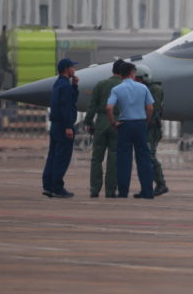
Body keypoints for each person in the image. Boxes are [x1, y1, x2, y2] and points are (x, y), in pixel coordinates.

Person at [107, 61, 154, 199]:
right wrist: (146, 121)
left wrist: (113, 123)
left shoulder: (117, 89)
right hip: (140, 124)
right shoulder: (143, 88)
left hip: (124, 125)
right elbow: (150, 108)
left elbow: (109, 108)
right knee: (144, 158)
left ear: (121, 75)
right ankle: (147, 191)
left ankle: (123, 192)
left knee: (123, 160)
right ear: (133, 73)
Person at [84, 59, 124, 198]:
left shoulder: (101, 84)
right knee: (114, 158)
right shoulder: (124, 86)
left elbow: (92, 107)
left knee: (96, 158)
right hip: (117, 123)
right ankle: (110, 191)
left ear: (113, 70)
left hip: (101, 122)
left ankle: (94, 190)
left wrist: (89, 122)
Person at [42, 57, 80, 198]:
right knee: (62, 157)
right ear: (66, 69)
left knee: (53, 156)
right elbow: (66, 108)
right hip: (63, 126)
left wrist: (75, 86)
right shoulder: (64, 86)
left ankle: (48, 186)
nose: (74, 70)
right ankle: (57, 187)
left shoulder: (59, 84)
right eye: (72, 67)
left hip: (56, 126)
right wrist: (68, 126)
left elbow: (70, 100)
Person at [137, 64, 168, 197]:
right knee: (146, 156)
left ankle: (161, 184)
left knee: (149, 155)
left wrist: (144, 124)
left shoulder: (154, 89)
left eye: (137, 79)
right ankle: (149, 187)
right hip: (148, 127)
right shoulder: (147, 88)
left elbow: (152, 110)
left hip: (151, 128)